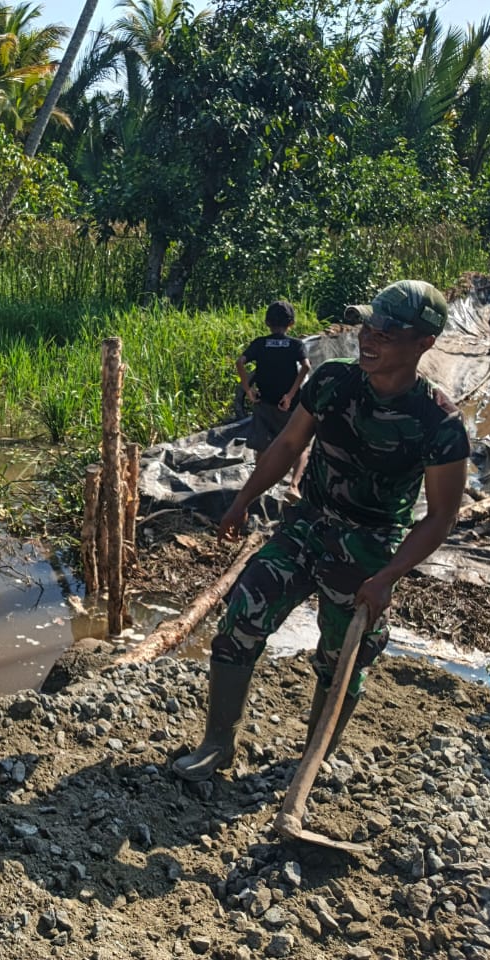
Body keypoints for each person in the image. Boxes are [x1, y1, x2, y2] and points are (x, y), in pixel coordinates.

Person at [173, 280, 470, 782]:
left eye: (386, 334)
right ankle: (217, 743)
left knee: (343, 658)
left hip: (369, 545)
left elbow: (441, 516)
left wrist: (388, 577)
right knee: (243, 613)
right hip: (306, 524)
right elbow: (289, 445)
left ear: (424, 343)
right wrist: (242, 501)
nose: (368, 340)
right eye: (367, 328)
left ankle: (315, 756)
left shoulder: (438, 422)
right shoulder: (334, 380)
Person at [235, 300, 311, 502]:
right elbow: (306, 366)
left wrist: (248, 390)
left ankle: (259, 486)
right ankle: (294, 486)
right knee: (300, 444)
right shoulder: (295, 344)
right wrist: (290, 395)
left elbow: (240, 362)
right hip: (289, 405)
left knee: (262, 444)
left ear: (267, 322)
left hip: (265, 401)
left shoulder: (260, 343)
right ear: (291, 323)